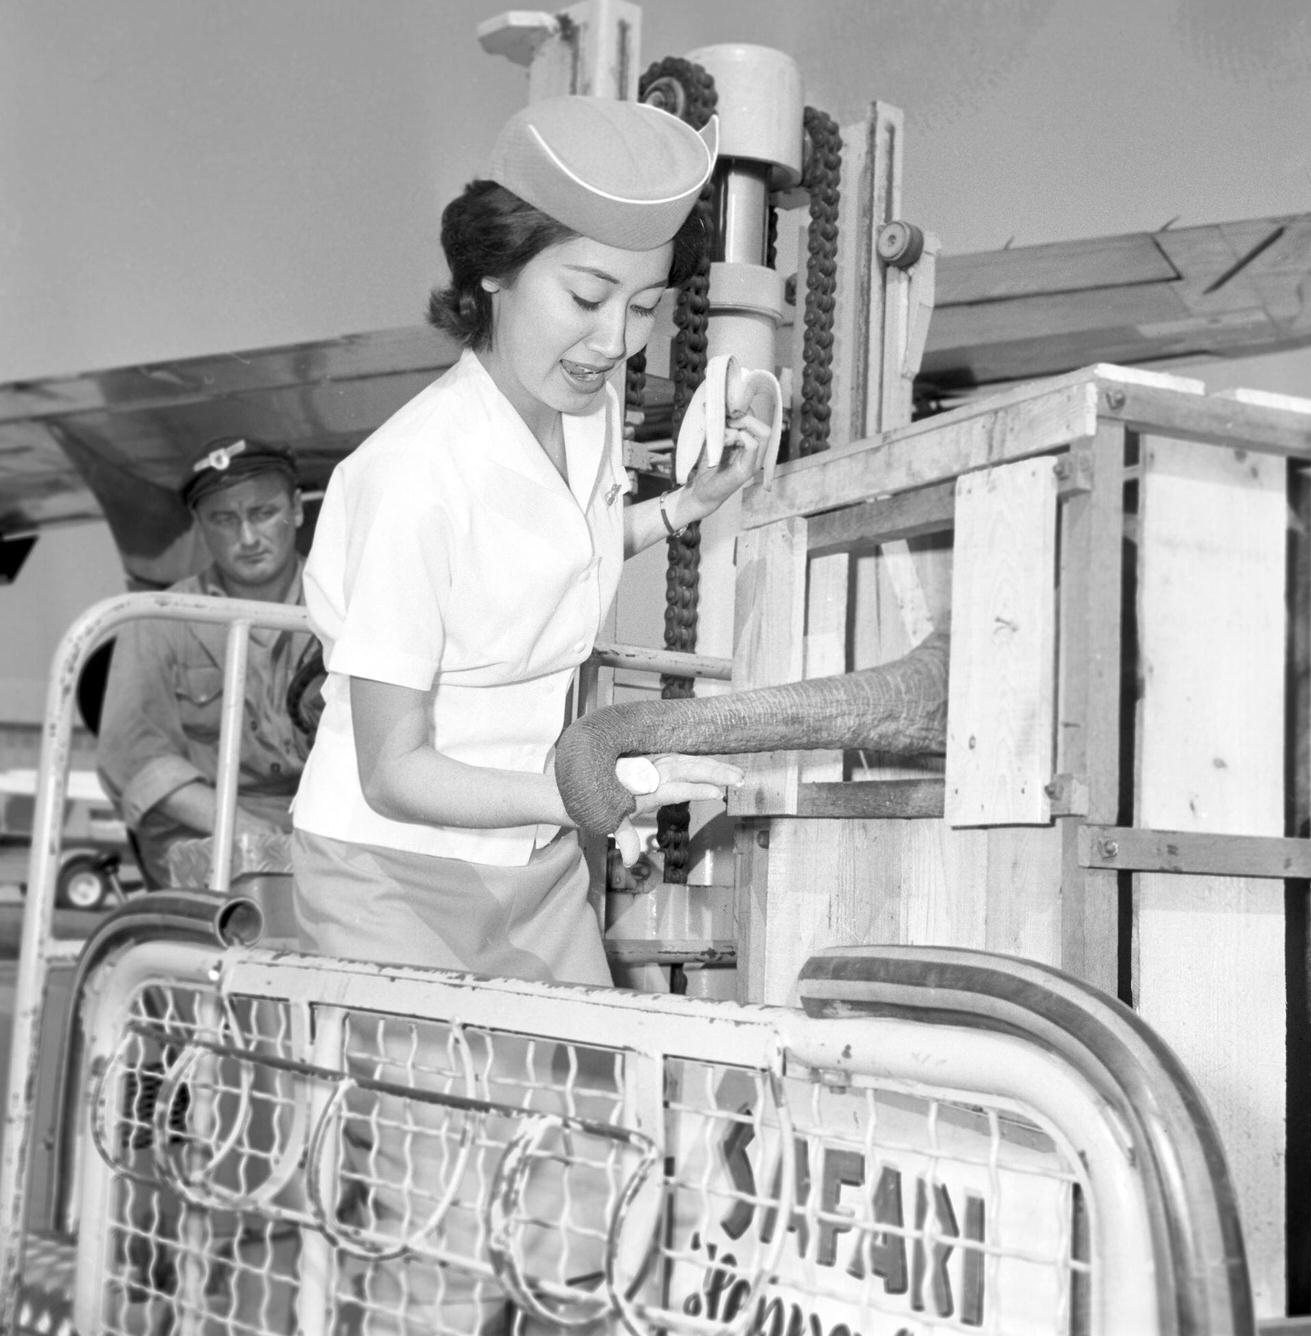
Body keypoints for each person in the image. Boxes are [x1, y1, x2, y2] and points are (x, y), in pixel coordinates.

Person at [289, 95, 766, 1332]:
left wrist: (683, 506)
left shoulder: (581, 410)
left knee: (586, 1181)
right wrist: (583, 782)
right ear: (494, 276)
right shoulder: (404, 479)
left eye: (646, 306)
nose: (617, 339)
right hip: (391, 866)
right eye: (587, 296)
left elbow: (549, 548)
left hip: (530, 852)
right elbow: (396, 767)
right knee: (435, 1219)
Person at [97, 436, 320, 889]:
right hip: (206, 824)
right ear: (199, 524)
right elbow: (132, 756)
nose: (248, 538)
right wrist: (243, 829)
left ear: (296, 509)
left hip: (325, 823)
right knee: (248, 901)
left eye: (263, 513)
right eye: (224, 519)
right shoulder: (159, 617)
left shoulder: (346, 607)